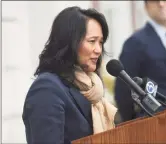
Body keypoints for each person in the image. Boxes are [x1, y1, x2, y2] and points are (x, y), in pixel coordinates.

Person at [22, 6, 117, 144]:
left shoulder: (91, 86)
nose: (98, 50)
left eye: (100, 42)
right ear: (69, 42)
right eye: (92, 41)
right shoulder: (46, 89)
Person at [114, 1, 166, 122]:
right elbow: (123, 90)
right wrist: (134, 121)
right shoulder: (135, 43)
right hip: (153, 123)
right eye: (155, 1)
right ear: (146, 6)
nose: (161, 4)